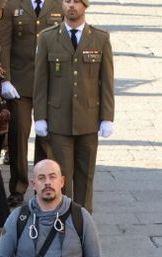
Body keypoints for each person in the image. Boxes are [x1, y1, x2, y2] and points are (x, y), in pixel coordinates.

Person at [32, 0, 115, 213]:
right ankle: (62, 216)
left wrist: (107, 117)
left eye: (77, 1)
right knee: (61, 175)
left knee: (86, 175)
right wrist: (40, 116)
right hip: (59, 119)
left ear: (85, 5)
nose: (71, 6)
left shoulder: (100, 38)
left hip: (88, 118)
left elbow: (106, 81)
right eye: (67, 1)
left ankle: (83, 218)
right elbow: (41, 81)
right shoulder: (48, 37)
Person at [0, 0, 65, 204]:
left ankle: (44, 186)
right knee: (18, 135)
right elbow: (3, 45)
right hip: (20, 83)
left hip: (49, 83)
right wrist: (5, 79)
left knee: (46, 139)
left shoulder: (58, 5)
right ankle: (17, 188)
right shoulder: (11, 5)